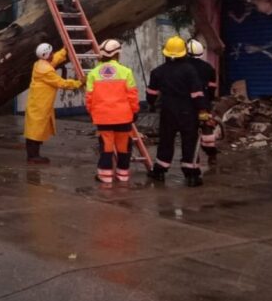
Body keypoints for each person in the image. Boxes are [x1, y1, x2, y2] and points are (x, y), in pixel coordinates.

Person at [146, 36, 212, 187]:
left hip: (168, 111)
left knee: (166, 141)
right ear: (184, 53)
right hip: (188, 113)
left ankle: (160, 171)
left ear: (166, 53)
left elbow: (151, 94)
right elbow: (197, 94)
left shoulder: (158, 72)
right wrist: (203, 111)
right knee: (189, 142)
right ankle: (192, 175)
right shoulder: (190, 70)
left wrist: (151, 104)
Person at [85, 39, 140, 184]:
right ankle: (123, 175)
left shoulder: (93, 74)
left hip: (103, 118)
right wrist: (135, 111)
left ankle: (105, 176)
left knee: (106, 147)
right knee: (124, 147)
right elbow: (132, 95)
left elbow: (89, 98)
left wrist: (92, 112)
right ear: (117, 54)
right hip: (123, 117)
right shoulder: (126, 72)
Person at [24, 43, 83, 164]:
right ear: (45, 55)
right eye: (50, 53)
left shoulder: (40, 64)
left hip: (38, 102)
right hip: (40, 104)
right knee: (35, 131)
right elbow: (61, 83)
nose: (52, 54)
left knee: (34, 130)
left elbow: (54, 60)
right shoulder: (46, 71)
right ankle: (33, 157)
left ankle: (33, 155)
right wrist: (79, 83)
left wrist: (64, 51)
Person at [185, 38, 221, 165]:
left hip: (187, 107)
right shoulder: (208, 68)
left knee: (190, 131)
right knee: (206, 130)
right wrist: (208, 102)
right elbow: (212, 88)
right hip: (203, 107)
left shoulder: (184, 67)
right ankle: (212, 155)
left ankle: (194, 157)